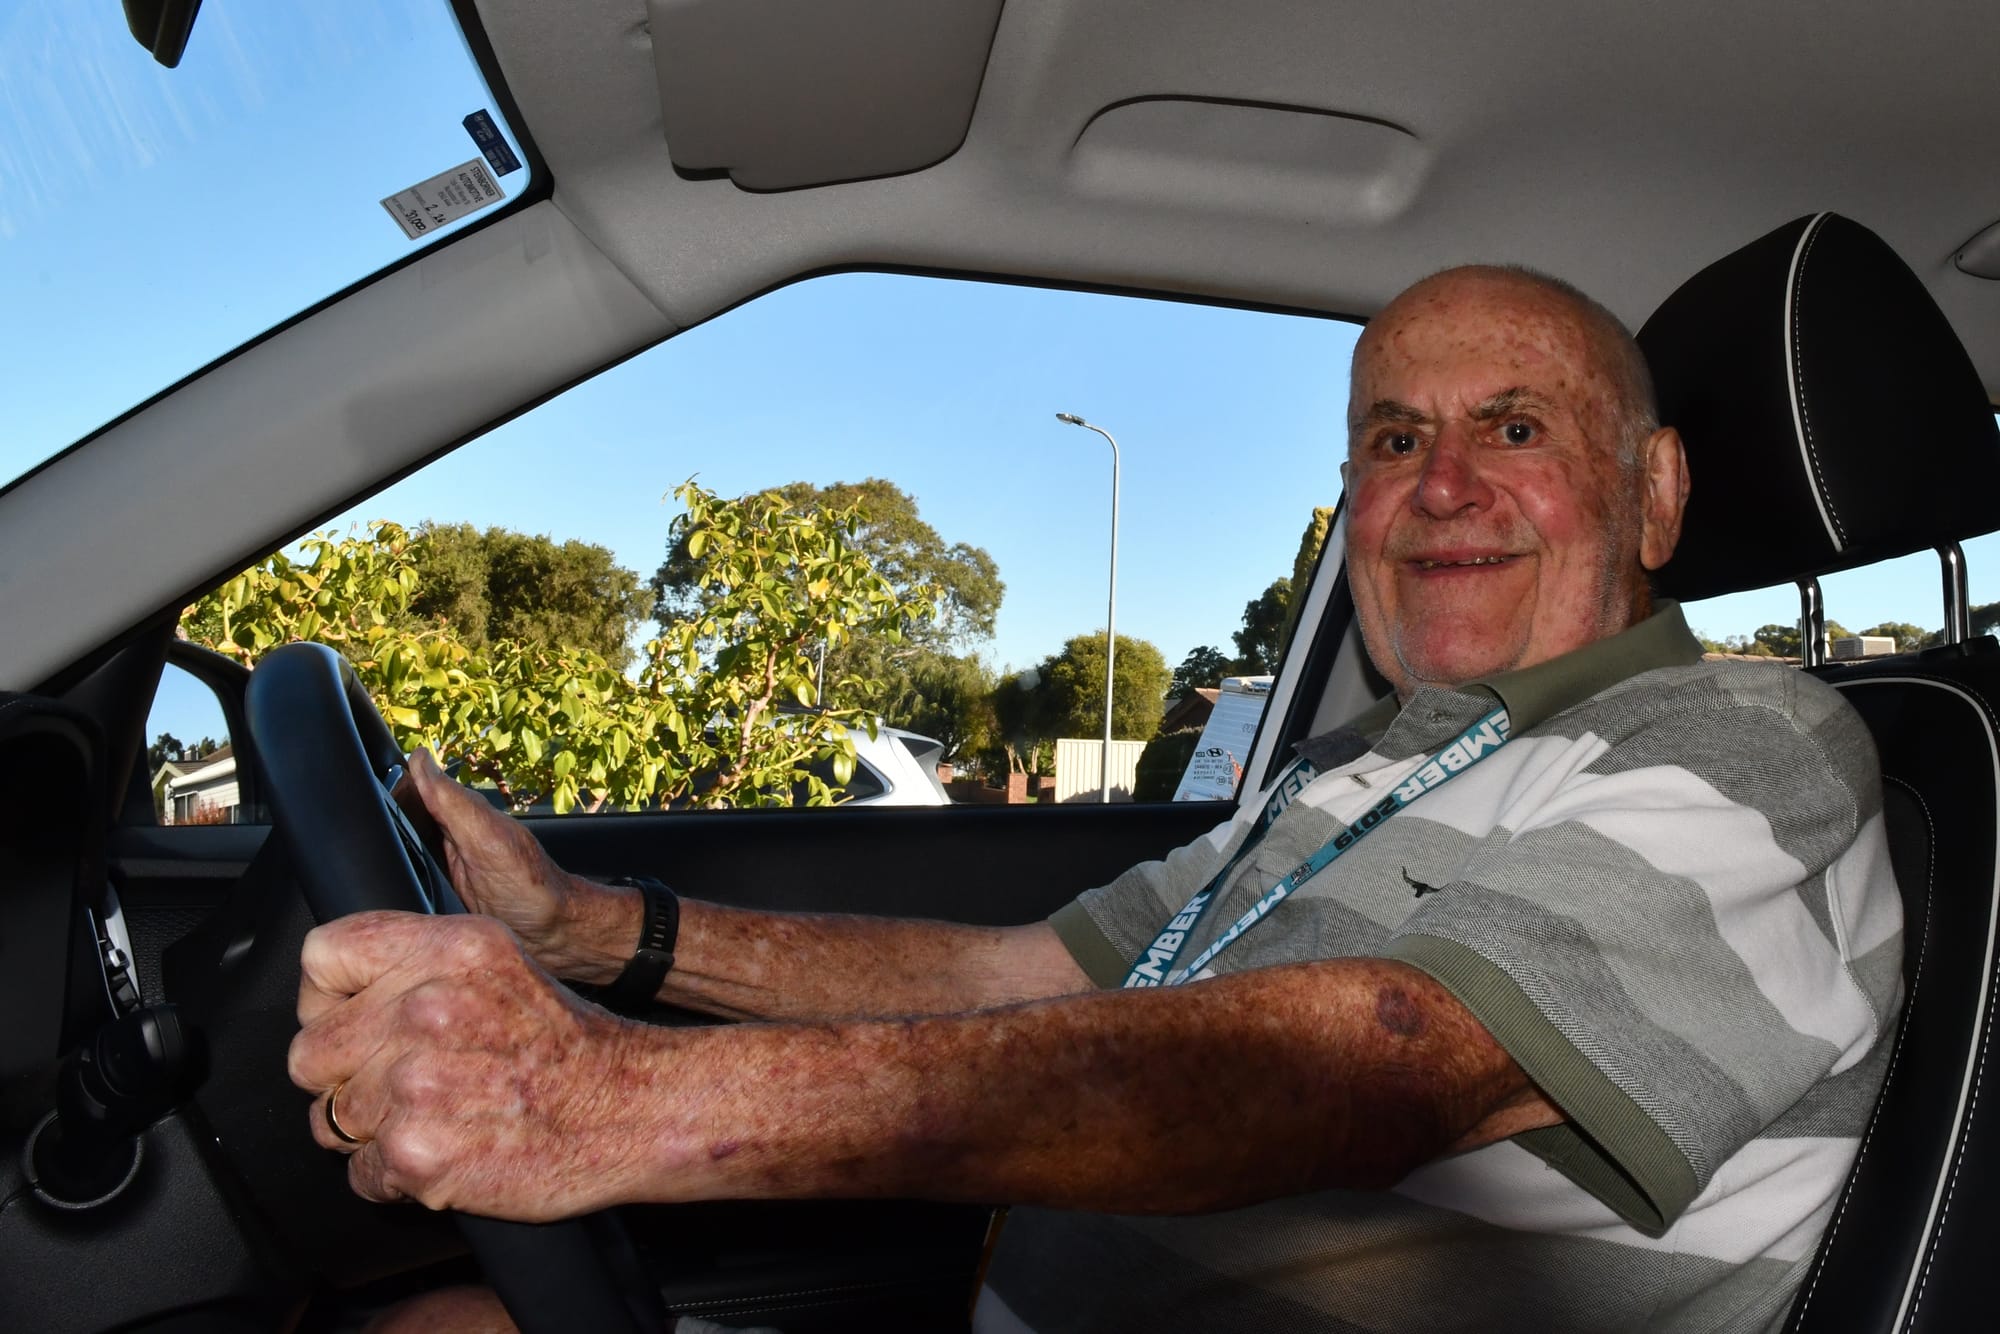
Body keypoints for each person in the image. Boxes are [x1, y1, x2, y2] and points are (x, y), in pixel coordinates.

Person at [289, 266, 1901, 1333]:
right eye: (1394, 437)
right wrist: (588, 928)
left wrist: (612, 1105)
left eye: (1519, 428)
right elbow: (1008, 982)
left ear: (1659, 490)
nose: (1444, 483)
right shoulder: (1359, 769)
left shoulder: (1751, 741)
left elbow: (1389, 1068)